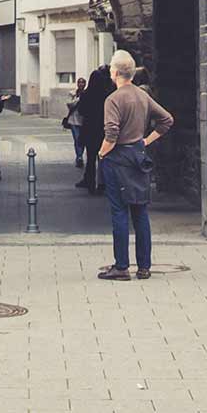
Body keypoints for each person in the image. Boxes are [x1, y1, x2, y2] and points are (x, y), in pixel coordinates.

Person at [95, 49, 173, 282]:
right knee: (140, 211)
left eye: (111, 67)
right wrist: (146, 141)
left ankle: (121, 266)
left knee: (119, 211)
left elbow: (111, 134)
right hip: (139, 157)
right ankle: (144, 266)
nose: (110, 69)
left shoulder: (113, 99)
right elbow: (167, 119)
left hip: (118, 158)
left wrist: (101, 153)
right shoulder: (142, 96)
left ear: (116, 72)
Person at [77, 64, 111, 192]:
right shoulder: (106, 95)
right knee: (103, 157)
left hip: (90, 129)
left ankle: (90, 181)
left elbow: (81, 111)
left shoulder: (87, 94)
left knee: (90, 157)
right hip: (102, 128)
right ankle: (103, 183)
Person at [63, 75, 87, 169]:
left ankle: (80, 155)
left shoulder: (87, 93)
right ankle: (79, 157)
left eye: (83, 82)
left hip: (84, 121)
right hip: (73, 120)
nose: (81, 84)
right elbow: (69, 104)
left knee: (82, 140)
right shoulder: (72, 93)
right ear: (77, 84)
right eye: (79, 82)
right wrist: (78, 99)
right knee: (77, 139)